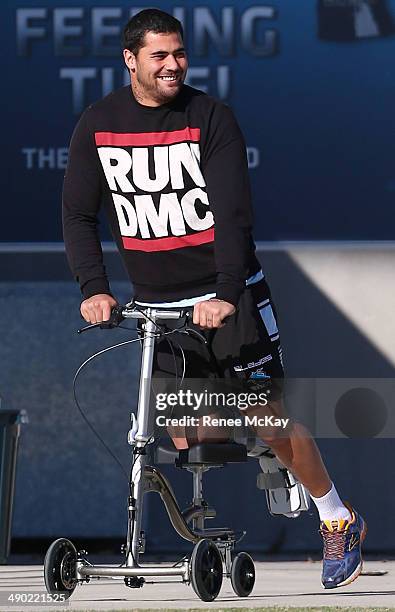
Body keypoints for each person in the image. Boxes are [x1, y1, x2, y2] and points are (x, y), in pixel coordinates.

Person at [62, 8, 366, 589]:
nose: (174, 64)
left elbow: (232, 216)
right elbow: (77, 215)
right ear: (131, 61)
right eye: (160, 56)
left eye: (179, 53)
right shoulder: (98, 123)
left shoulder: (210, 117)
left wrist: (225, 294)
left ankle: (336, 515)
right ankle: (270, 455)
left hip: (228, 298)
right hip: (162, 310)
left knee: (267, 416)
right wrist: (94, 289)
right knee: (186, 435)